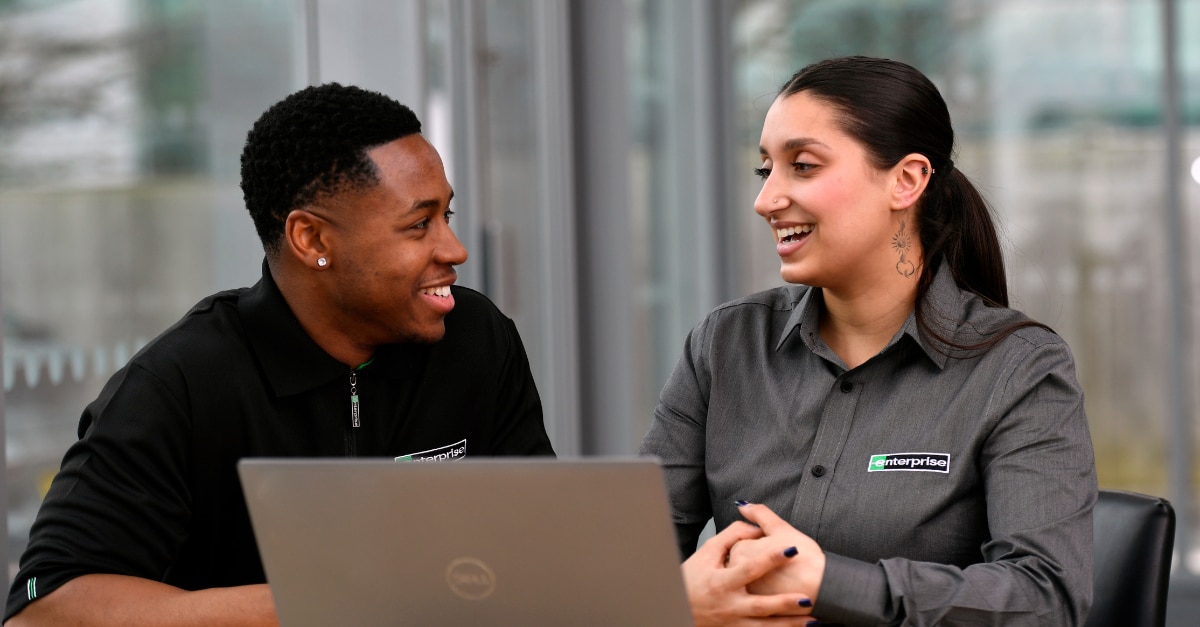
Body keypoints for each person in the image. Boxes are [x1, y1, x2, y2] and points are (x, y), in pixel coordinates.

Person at [5, 83, 554, 626]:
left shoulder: (475, 338)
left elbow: (543, 547)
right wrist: (323, 604)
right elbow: (44, 612)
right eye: (418, 225)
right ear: (312, 240)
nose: (453, 250)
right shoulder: (181, 384)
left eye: (446, 217)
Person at [641, 56, 1097, 627]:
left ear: (906, 180)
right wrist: (676, 603)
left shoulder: (1019, 370)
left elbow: (1046, 599)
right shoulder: (724, 345)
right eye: (766, 171)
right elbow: (631, 565)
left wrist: (827, 583)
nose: (766, 200)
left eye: (802, 166)